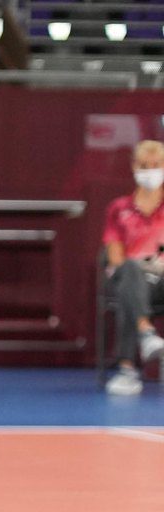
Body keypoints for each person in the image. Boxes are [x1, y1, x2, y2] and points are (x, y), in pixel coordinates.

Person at [103, 139, 164, 397]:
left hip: (162, 280)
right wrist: (137, 266)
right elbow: (115, 254)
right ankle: (144, 338)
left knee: (133, 290)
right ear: (133, 167)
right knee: (130, 272)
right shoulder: (118, 208)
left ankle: (129, 364)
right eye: (143, 165)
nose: (149, 170)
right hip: (129, 276)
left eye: (156, 165)